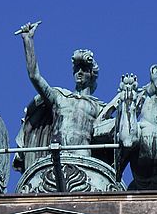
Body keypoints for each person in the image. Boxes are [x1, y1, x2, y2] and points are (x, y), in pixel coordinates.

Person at [14, 21, 104, 160]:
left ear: (92, 75)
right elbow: (34, 76)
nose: (79, 72)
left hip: (83, 157)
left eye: (84, 69)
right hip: (55, 154)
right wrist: (28, 40)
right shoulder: (60, 97)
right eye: (76, 69)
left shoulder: (98, 108)